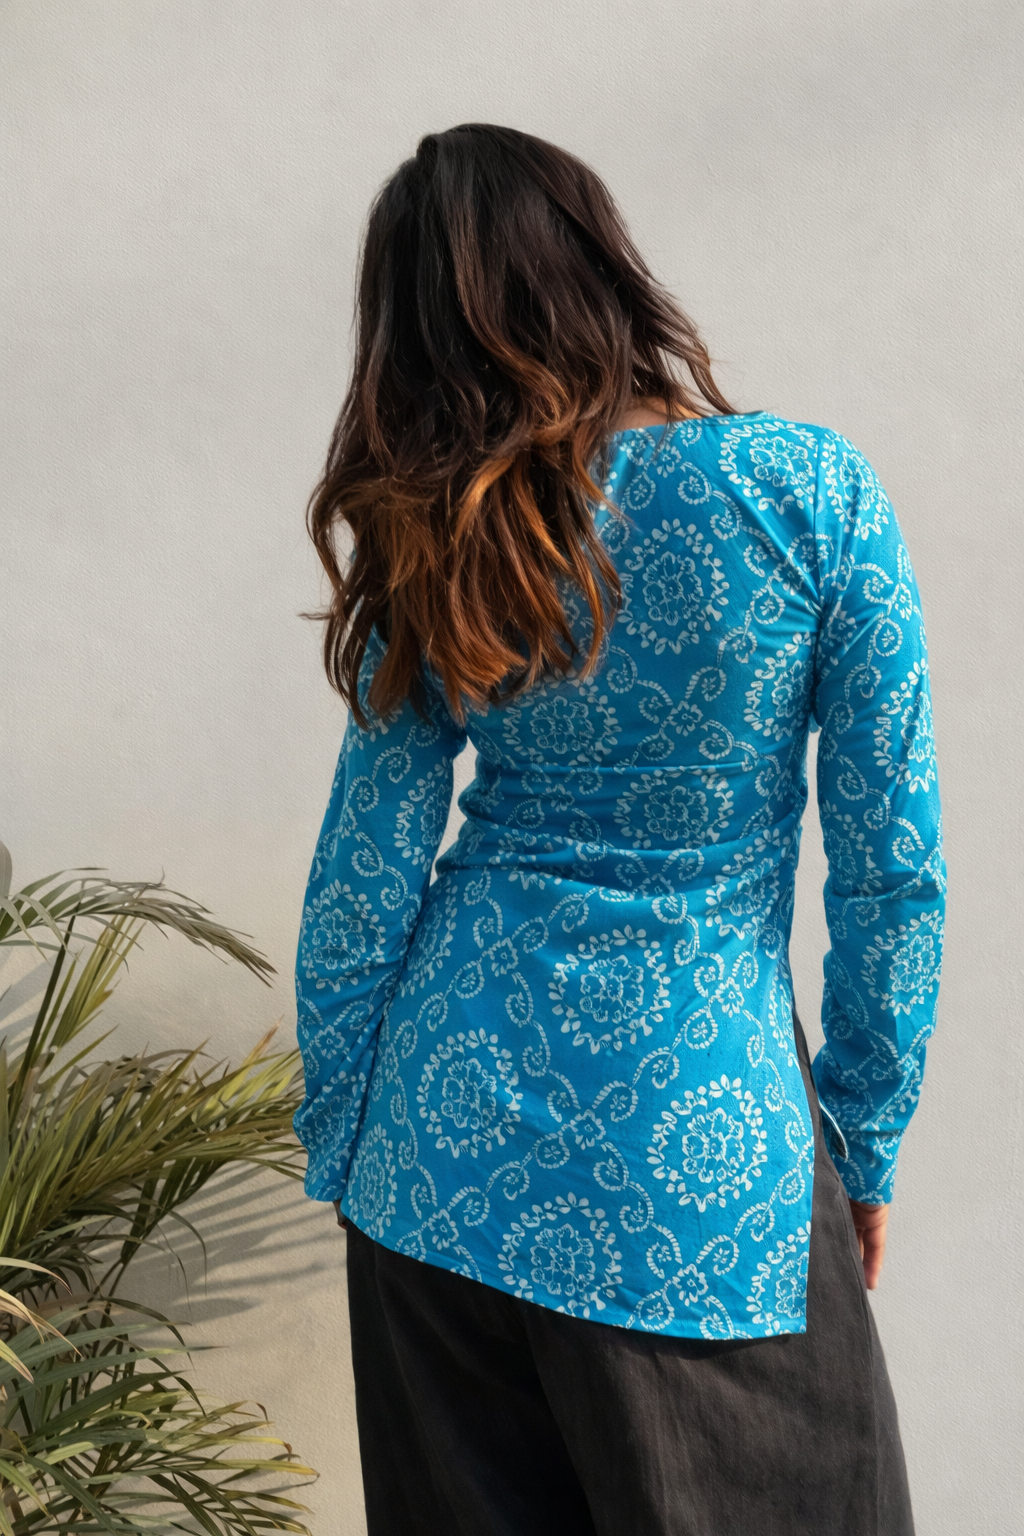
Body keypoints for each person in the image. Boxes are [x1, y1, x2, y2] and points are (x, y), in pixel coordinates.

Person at [293, 124, 944, 1536]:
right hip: (698, 1166)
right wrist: (864, 1139)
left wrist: (351, 1144)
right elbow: (892, 874)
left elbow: (361, 878)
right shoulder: (806, 489)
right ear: (598, 261)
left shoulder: (438, 532)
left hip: (435, 1150)